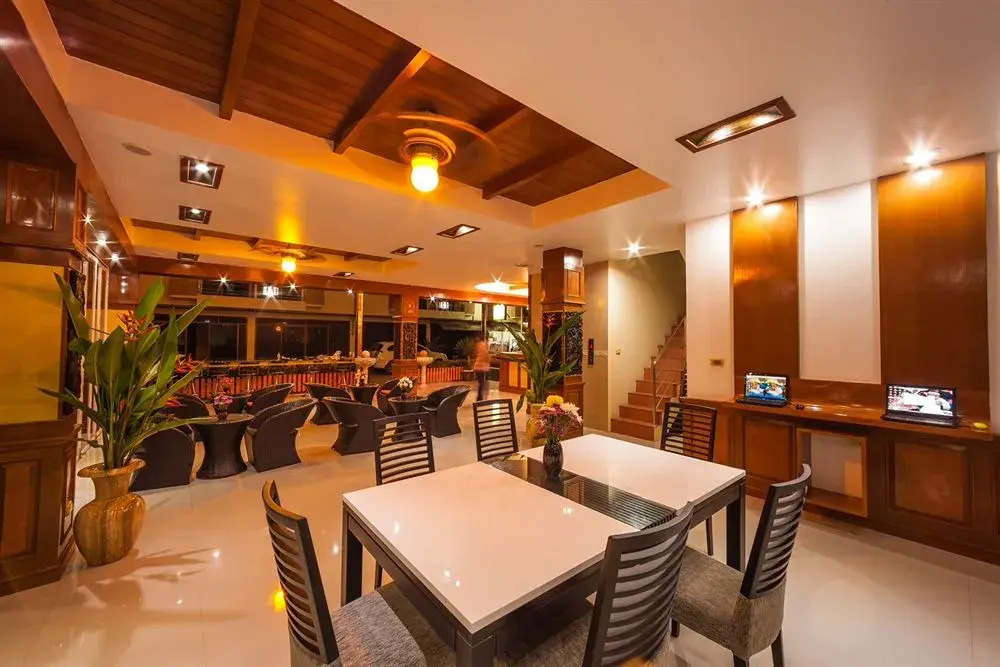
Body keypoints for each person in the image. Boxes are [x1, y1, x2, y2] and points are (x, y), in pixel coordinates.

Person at [474, 335, 490, 401]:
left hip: (478, 367)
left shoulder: (479, 344)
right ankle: (480, 399)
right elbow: (485, 355)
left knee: (482, 384)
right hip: (482, 368)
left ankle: (480, 398)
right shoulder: (483, 344)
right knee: (483, 384)